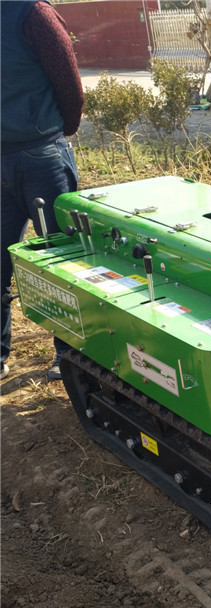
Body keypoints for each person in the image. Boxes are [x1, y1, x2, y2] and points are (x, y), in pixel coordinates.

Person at [1, 0, 84, 380]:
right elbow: (70, 85)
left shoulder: (32, 13)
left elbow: (69, 84)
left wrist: (52, 133)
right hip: (34, 153)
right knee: (62, 258)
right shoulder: (33, 12)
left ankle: (68, 355)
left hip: (36, 155)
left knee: (61, 259)